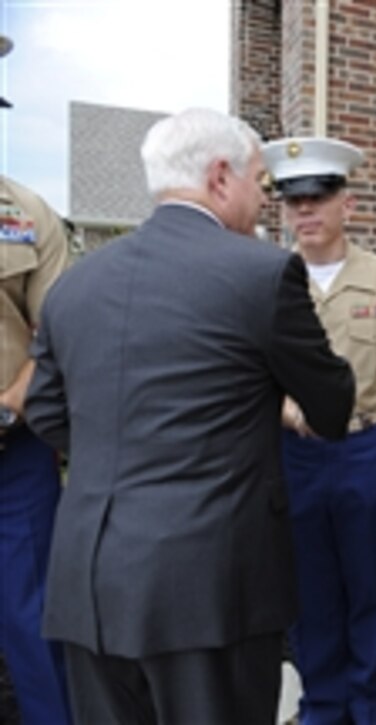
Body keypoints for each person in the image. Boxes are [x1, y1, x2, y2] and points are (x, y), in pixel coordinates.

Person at [24, 108, 355, 724]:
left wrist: (115, 451)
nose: (265, 200)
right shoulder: (261, 273)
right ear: (220, 176)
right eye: (261, 181)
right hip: (208, 590)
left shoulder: (76, 284)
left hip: (88, 585)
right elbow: (332, 406)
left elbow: (44, 407)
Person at [262, 135, 376, 723]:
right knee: (309, 592)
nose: (305, 211)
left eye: (318, 197)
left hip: (366, 445)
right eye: (293, 201)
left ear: (347, 205)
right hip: (296, 453)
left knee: (374, 588)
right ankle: (323, 706)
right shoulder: (266, 281)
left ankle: (369, 707)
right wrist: (287, 412)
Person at [0, 32, 72, 725]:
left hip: (11, 455)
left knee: (34, 625)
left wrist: (9, 407)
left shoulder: (25, 214)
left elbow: (55, 332)